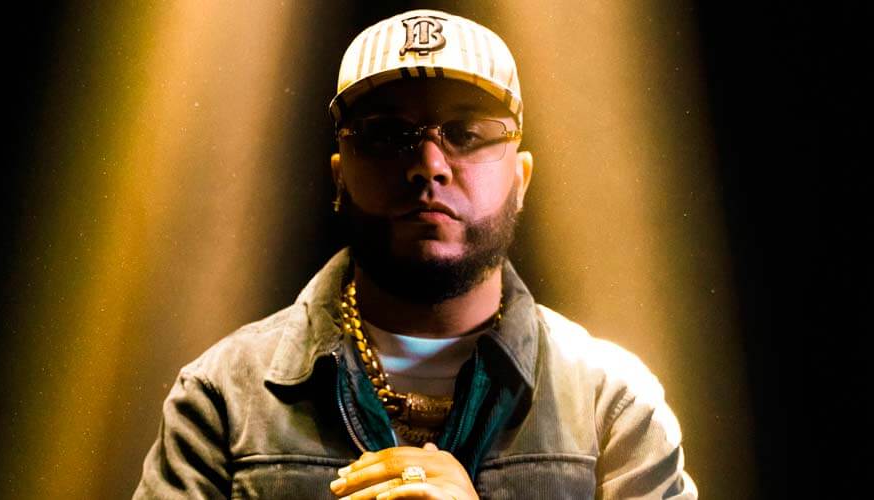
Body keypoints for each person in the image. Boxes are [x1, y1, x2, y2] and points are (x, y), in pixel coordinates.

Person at [133, 9, 697, 499]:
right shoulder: (221, 398)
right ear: (339, 177)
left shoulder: (611, 404)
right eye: (386, 134)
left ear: (520, 179)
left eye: (467, 133)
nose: (429, 164)